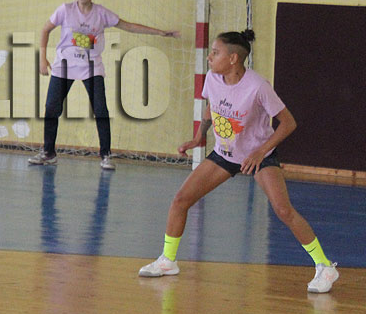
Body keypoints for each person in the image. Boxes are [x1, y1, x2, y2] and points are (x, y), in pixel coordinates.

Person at [138, 30, 339, 293]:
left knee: (283, 210)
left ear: (233, 58)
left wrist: (261, 152)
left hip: (258, 156)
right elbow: (211, 108)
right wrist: (199, 137)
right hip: (225, 154)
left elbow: (288, 123)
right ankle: (167, 261)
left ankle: (325, 267)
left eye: (215, 52)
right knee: (180, 200)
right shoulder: (212, 77)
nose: (209, 57)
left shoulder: (258, 86)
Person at [28, 0, 180, 170]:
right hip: (64, 65)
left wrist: (160, 32)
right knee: (51, 108)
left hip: (91, 67)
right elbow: (45, 29)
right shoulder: (65, 10)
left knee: (100, 109)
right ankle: (48, 152)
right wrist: (42, 58)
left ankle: (106, 155)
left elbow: (128, 26)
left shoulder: (101, 13)